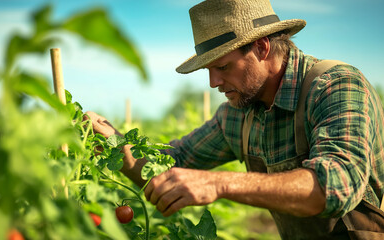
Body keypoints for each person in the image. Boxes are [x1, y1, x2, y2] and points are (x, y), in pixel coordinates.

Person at [85, 0, 384, 238]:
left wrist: (218, 184)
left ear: (262, 47)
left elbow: (334, 186)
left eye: (223, 67)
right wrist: (113, 143)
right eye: (208, 71)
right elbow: (173, 163)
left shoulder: (335, 86)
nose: (214, 83)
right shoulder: (238, 115)